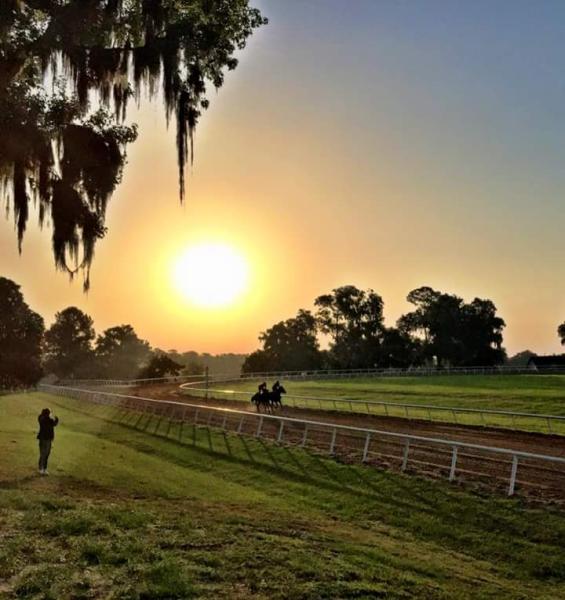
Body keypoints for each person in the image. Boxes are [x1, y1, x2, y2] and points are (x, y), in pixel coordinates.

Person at [37, 408, 59, 475]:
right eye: (49, 413)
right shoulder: (45, 420)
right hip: (44, 439)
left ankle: (44, 468)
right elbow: (54, 423)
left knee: (46, 454)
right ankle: (41, 468)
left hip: (48, 439)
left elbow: (54, 423)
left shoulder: (46, 420)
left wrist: (55, 419)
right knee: (44, 454)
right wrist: (55, 418)